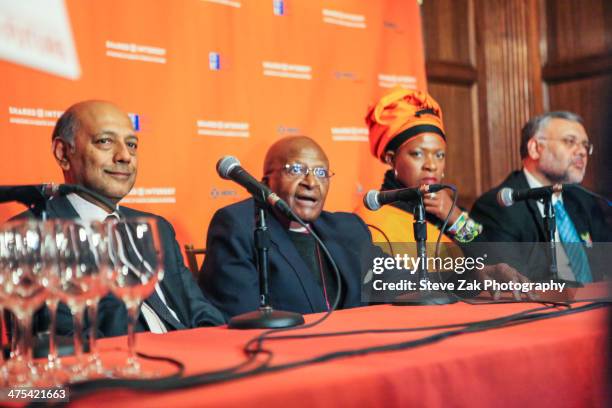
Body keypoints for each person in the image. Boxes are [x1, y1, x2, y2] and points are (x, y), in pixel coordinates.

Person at [30, 100, 224, 337]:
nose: (124, 156)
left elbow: (199, 310)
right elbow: (62, 337)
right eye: (105, 141)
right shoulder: (34, 231)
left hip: (192, 358)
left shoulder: (156, 227)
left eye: (131, 145)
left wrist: (213, 346)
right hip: (120, 367)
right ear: (63, 153)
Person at [199, 136, 381, 319]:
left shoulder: (348, 228)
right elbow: (242, 318)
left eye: (321, 173)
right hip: (288, 345)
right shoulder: (238, 226)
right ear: (265, 183)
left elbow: (402, 285)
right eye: (296, 169)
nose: (310, 182)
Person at [470, 111, 611, 282]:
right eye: (570, 141)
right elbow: (515, 283)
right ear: (535, 148)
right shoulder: (498, 207)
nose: (582, 152)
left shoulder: (585, 202)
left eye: (585, 145)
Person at [355, 87, 482, 246]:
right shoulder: (374, 218)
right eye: (418, 154)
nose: (431, 165)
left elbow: (489, 259)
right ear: (390, 159)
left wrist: (455, 217)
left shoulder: (450, 209)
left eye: (439, 155)